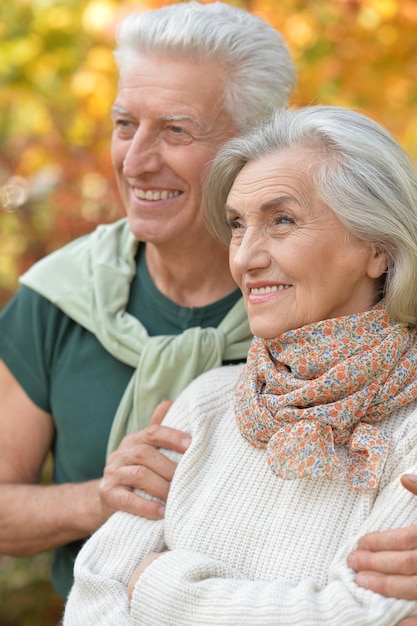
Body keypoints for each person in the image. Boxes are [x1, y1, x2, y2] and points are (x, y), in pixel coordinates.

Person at [63, 105, 417, 624]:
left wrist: (161, 590)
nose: (246, 257)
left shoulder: (409, 427)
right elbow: (94, 598)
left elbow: (363, 615)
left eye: (282, 220)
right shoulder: (207, 401)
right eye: (236, 225)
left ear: (378, 248)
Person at [0, 1, 296, 601]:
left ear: (254, 146)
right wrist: (101, 498)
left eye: (175, 129)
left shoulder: (324, 298)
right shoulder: (59, 297)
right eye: (125, 124)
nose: (135, 162)